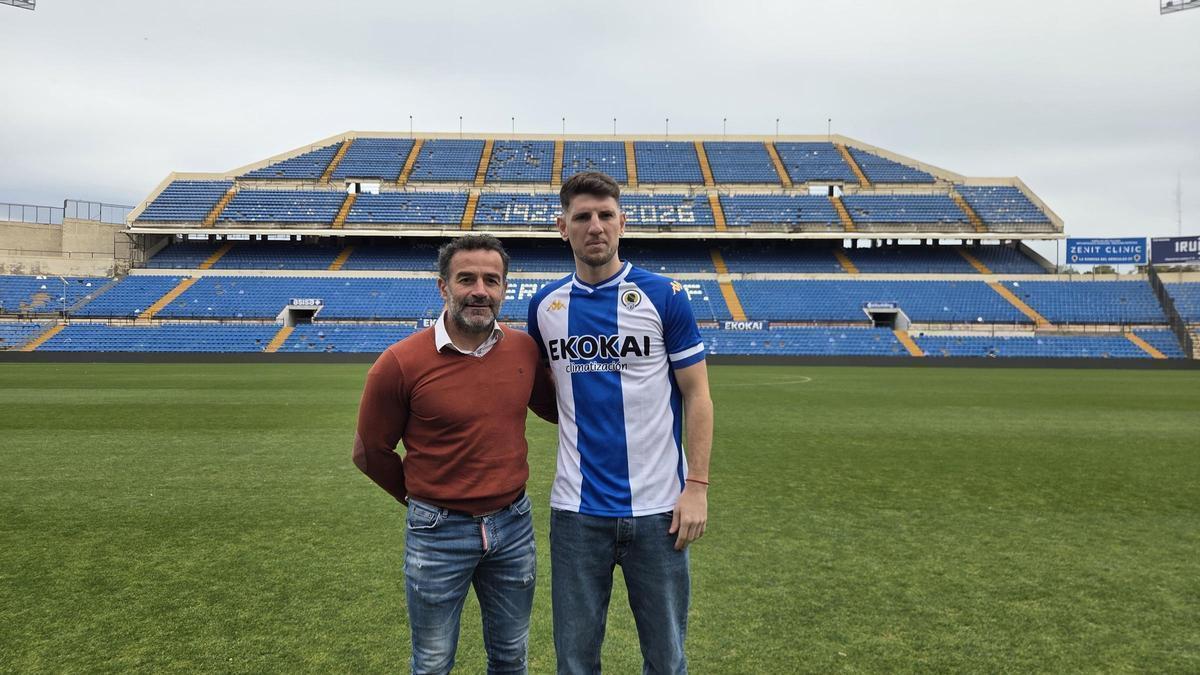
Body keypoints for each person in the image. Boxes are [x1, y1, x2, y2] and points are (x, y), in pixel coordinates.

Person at [526, 172, 714, 674]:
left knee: (667, 657)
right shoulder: (543, 307)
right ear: (561, 227)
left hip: (659, 512)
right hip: (576, 513)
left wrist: (696, 486)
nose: (595, 227)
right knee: (575, 660)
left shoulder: (664, 296)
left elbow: (697, 394)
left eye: (606, 215)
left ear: (622, 223)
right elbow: (547, 394)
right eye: (582, 217)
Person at [353, 234, 557, 675]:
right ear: (443, 286)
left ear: (504, 289)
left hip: (513, 527)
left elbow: (559, 409)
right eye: (466, 279)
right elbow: (371, 451)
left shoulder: (524, 349)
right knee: (431, 662)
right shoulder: (400, 362)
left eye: (491, 280)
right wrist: (422, 499)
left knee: (511, 657)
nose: (480, 290)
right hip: (437, 532)